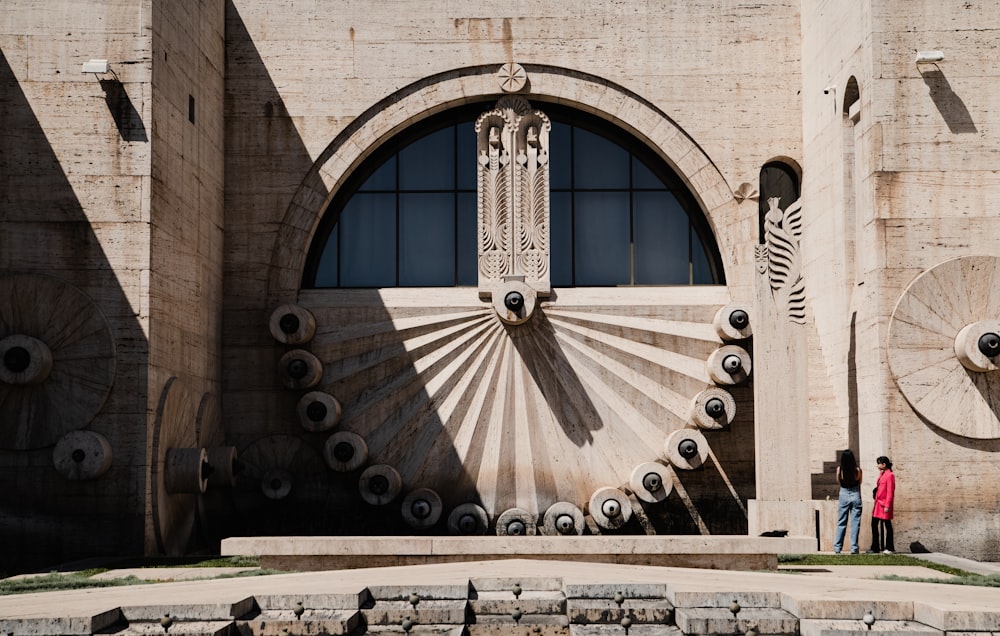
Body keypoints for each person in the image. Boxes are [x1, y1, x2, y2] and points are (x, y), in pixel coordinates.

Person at [833, 449, 863, 554]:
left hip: (844, 494)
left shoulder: (839, 469)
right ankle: (854, 548)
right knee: (855, 523)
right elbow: (860, 482)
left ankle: (837, 547)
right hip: (855, 494)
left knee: (841, 522)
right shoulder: (858, 470)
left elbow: (839, 481)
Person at [870, 456, 896, 554]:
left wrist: (887, 506)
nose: (877, 465)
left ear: (884, 464)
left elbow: (890, 492)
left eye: (879, 463)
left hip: (884, 505)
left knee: (887, 525)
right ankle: (875, 547)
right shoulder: (882, 474)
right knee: (874, 524)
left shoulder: (890, 475)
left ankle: (889, 547)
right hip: (878, 504)